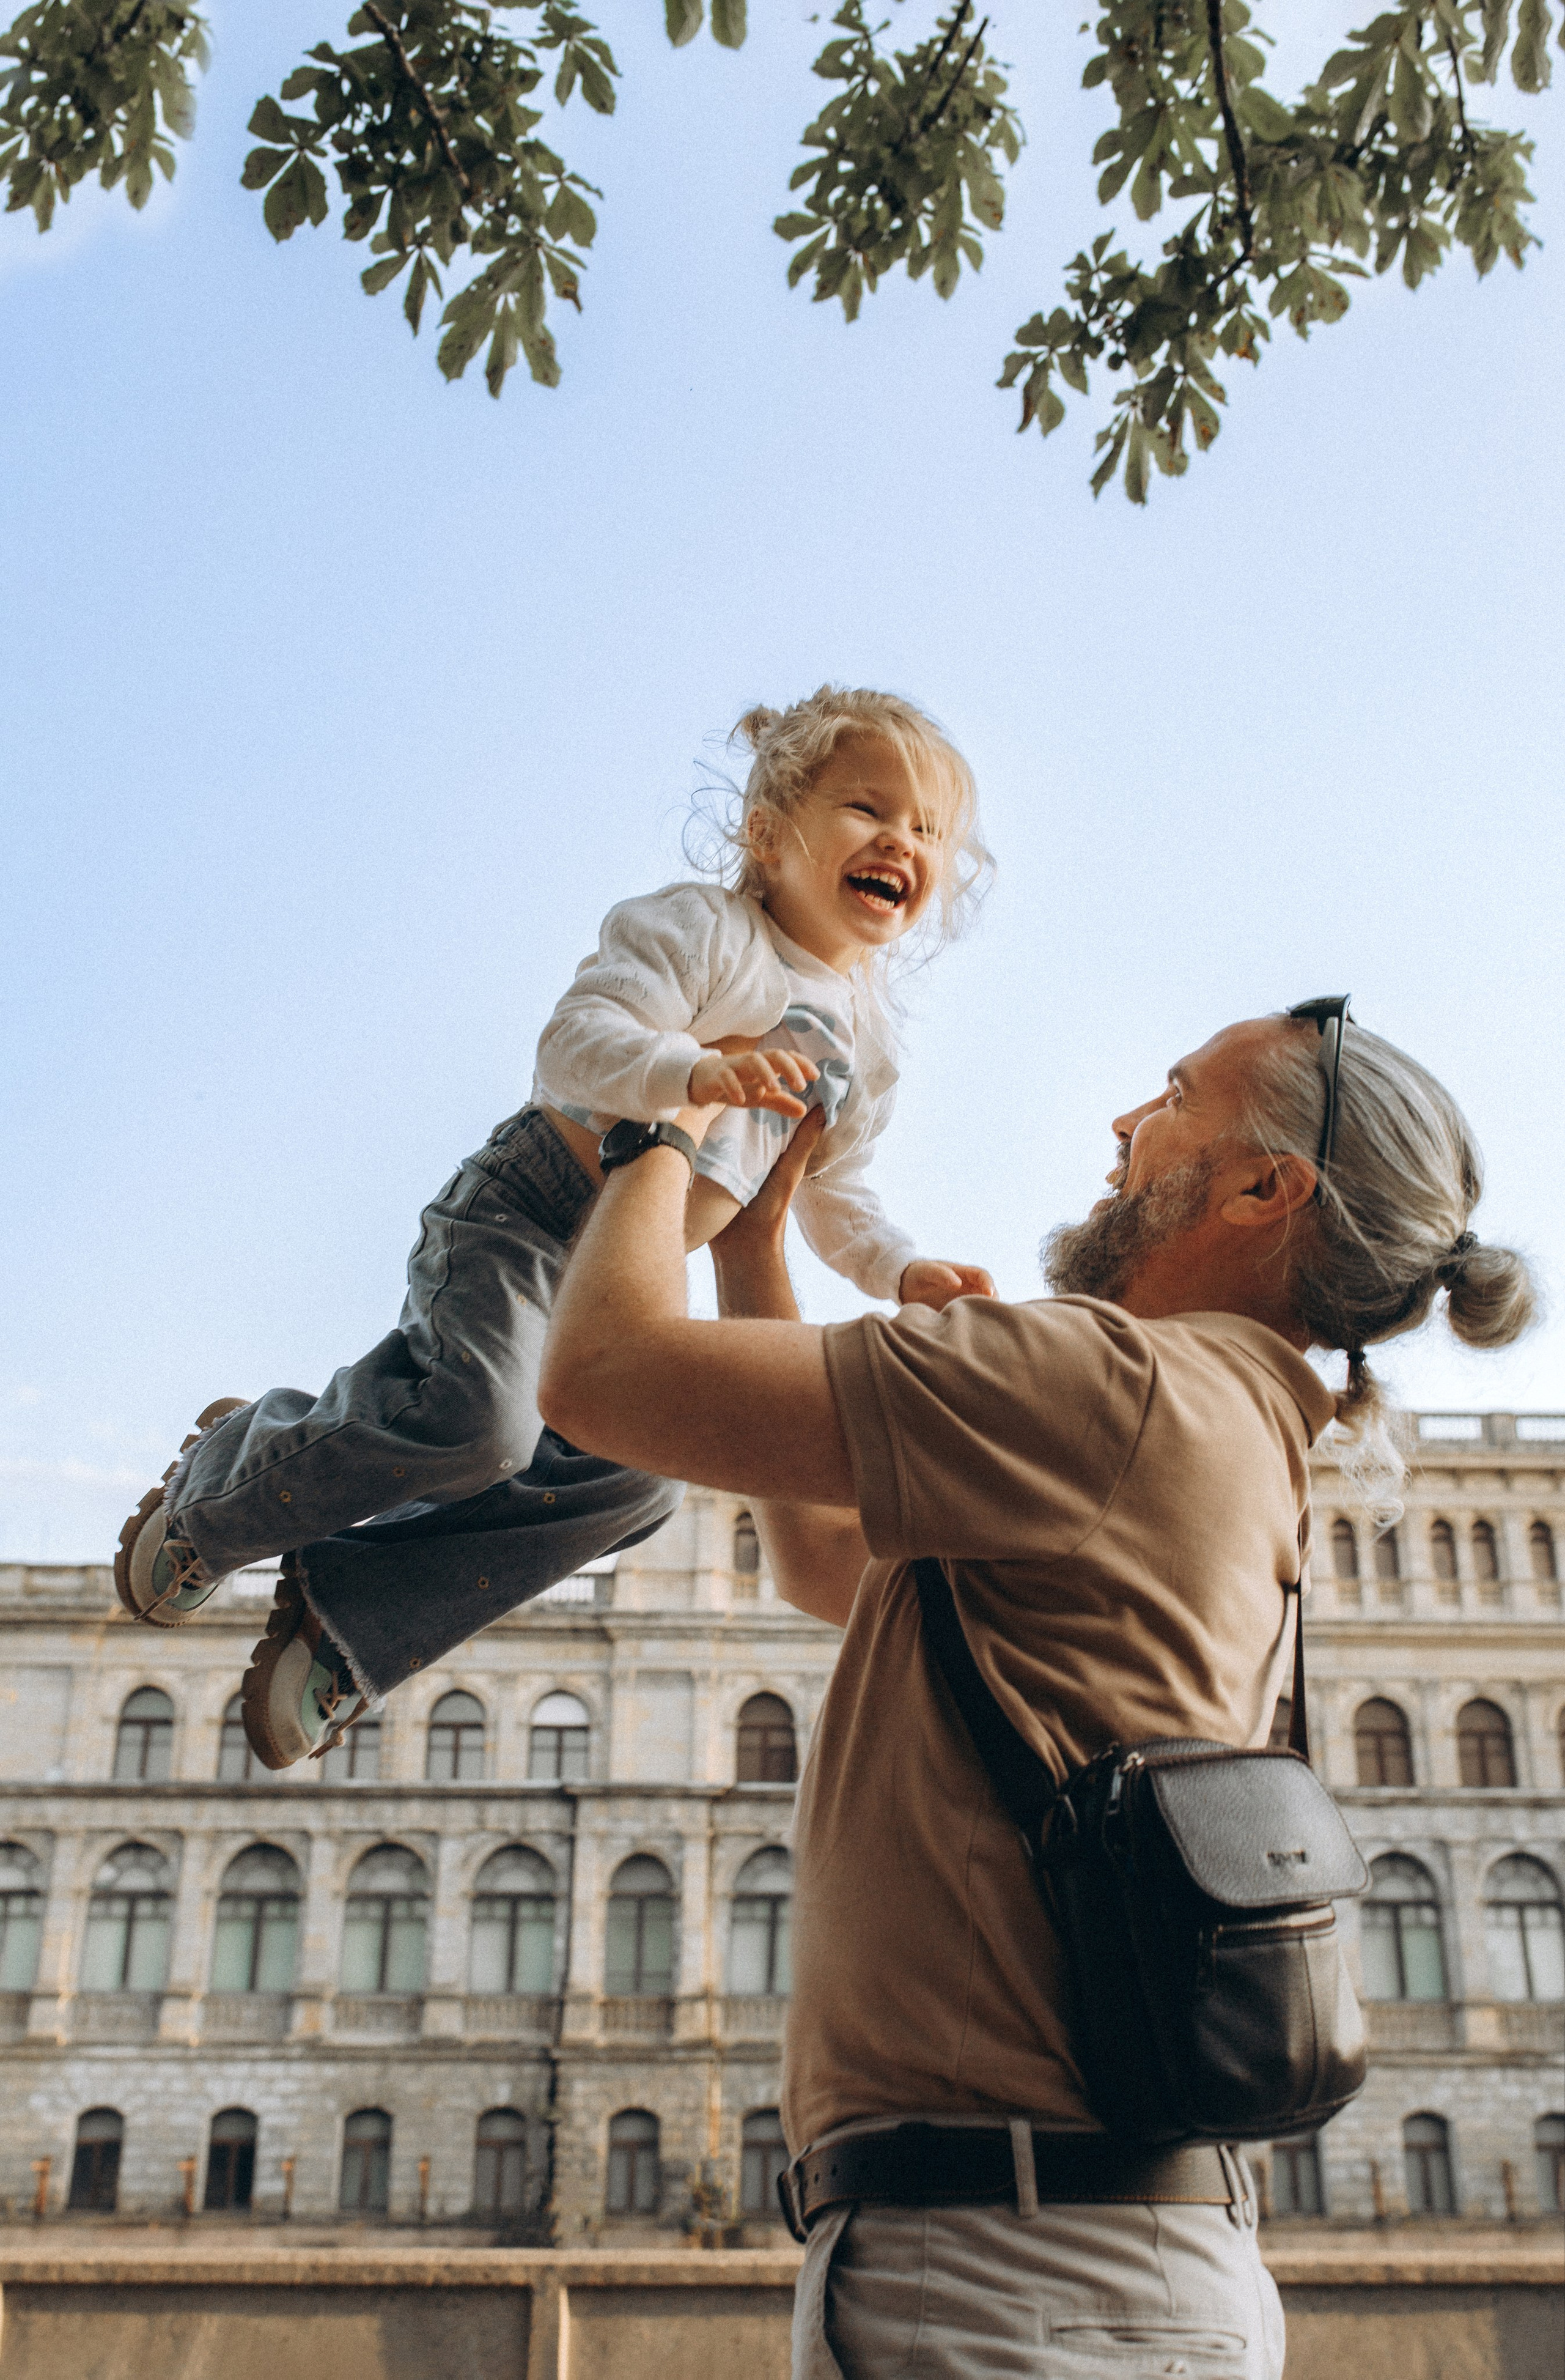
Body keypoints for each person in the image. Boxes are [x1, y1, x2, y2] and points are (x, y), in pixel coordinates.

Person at [534, 999, 1536, 2380]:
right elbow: (828, 1563)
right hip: (1094, 2256)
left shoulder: (1111, 1382)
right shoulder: (1236, 1417)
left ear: (1264, 1187)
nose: (1125, 1126)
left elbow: (600, 1375)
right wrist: (755, 1249)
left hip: (1010, 2274)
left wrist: (668, 1113)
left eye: (1173, 1096)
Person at [112, 686, 995, 1770]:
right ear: (770, 834)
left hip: (625, 1286)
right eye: (868, 809)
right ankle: (217, 1492)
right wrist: (687, 1072)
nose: (900, 841)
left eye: (927, 829)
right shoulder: (708, 933)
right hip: (528, 1213)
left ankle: (354, 1616)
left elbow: (829, 1187)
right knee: (477, 1427)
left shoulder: (867, 1050)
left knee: (641, 1483)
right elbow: (575, 1040)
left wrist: (899, 1269)